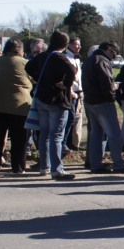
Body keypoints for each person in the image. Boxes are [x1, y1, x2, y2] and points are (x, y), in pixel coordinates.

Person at [24, 30, 76, 180]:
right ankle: (56, 169)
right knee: (56, 135)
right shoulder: (60, 57)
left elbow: (28, 67)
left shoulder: (42, 56)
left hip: (41, 98)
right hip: (56, 99)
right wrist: (65, 84)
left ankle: (44, 167)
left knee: (44, 134)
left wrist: (39, 77)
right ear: (65, 44)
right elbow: (72, 70)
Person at [82, 40, 124, 174]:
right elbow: (107, 82)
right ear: (107, 49)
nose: (113, 57)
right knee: (114, 133)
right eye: (113, 53)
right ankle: (118, 164)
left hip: (90, 101)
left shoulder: (89, 60)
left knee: (96, 133)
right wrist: (112, 96)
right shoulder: (102, 61)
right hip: (102, 101)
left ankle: (95, 164)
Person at [0, 39, 32, 175]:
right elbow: (34, 79)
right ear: (19, 49)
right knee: (19, 140)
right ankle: (18, 167)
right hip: (20, 106)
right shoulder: (24, 63)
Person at [62, 37, 83, 154]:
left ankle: (70, 142)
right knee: (69, 118)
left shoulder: (77, 58)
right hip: (70, 92)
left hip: (78, 92)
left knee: (74, 118)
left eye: (79, 45)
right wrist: (70, 90)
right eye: (76, 44)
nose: (79, 47)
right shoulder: (66, 58)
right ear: (69, 45)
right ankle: (64, 142)